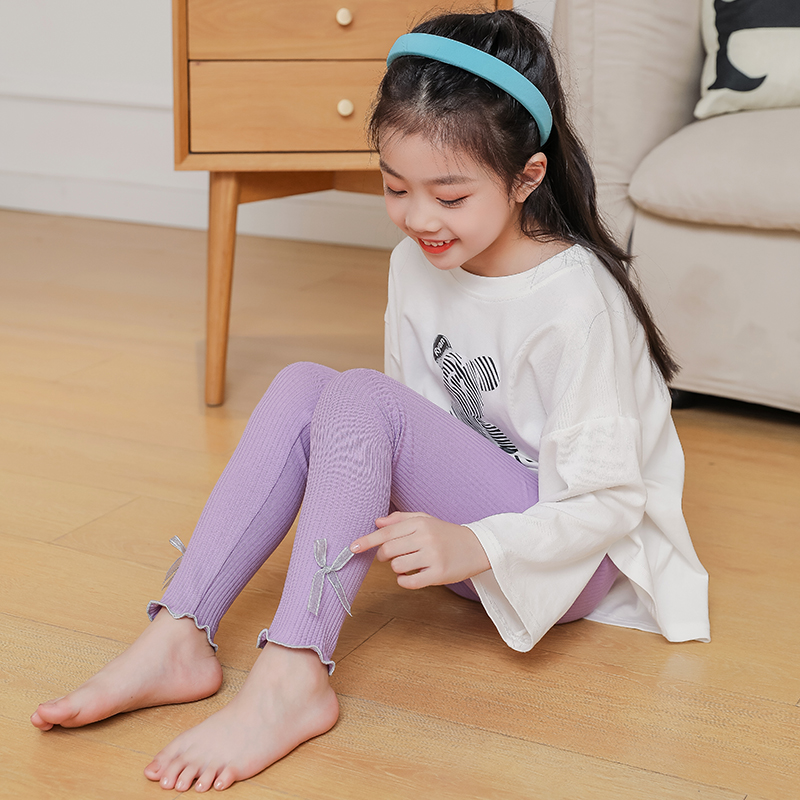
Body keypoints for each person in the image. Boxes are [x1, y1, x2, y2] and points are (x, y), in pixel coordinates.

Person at [30, 9, 710, 793]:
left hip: (562, 563)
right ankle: (180, 631)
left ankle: (293, 674)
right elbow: (395, 429)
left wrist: (479, 544)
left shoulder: (577, 303)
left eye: (450, 196)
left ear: (528, 177)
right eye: (395, 187)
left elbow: (610, 503)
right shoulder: (414, 263)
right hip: (453, 544)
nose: (419, 218)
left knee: (358, 395)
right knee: (304, 385)